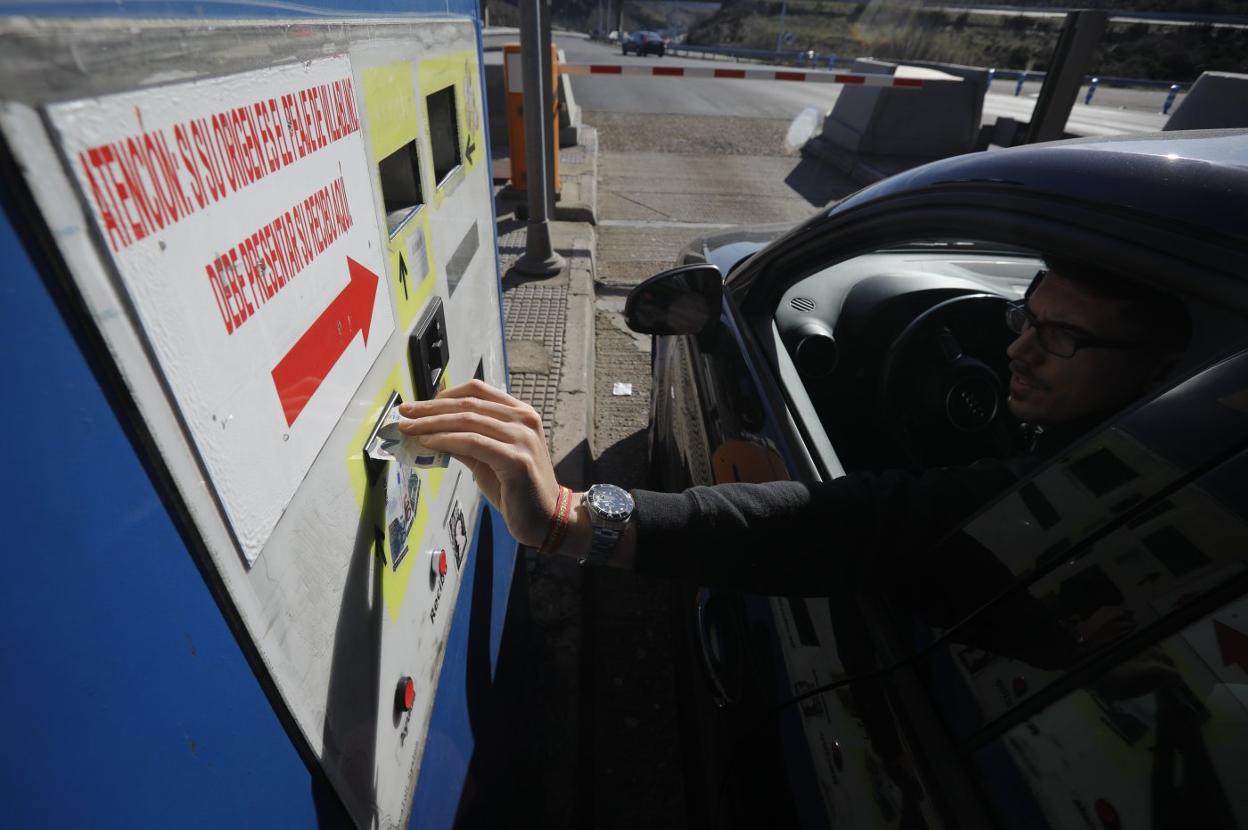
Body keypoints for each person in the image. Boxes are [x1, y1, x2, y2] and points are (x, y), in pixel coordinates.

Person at [396, 263, 1191, 594]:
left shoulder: (1057, 496)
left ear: (1160, 369)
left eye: (1063, 337)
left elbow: (842, 525)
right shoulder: (1146, 452)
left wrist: (572, 516)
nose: (1017, 348)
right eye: (1027, 317)